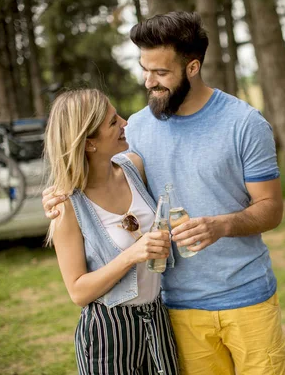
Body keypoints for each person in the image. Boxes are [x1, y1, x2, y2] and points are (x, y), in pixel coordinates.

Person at [43, 12, 285, 375]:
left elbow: (272, 209)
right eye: (145, 70)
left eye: (160, 73)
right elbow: (94, 172)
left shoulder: (245, 123)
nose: (149, 82)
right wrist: (58, 191)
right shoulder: (136, 128)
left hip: (248, 297)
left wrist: (221, 225)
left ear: (192, 67)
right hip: (175, 309)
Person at [44, 89, 179, 374]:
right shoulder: (66, 206)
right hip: (107, 333)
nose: (125, 123)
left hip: (156, 319)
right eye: (112, 122)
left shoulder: (134, 169)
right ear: (89, 143)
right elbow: (78, 292)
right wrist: (132, 255)